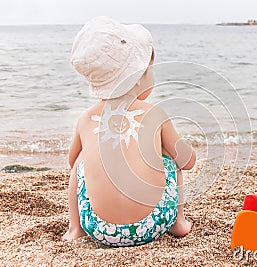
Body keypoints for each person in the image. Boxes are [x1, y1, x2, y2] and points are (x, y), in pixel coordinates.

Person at [62, 16, 195, 247]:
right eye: (149, 70)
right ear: (136, 78)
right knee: (169, 159)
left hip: (99, 228)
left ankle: (75, 229)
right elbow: (188, 162)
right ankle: (179, 223)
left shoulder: (85, 119)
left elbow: (72, 162)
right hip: (155, 223)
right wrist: (168, 150)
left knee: (82, 158)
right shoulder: (154, 113)